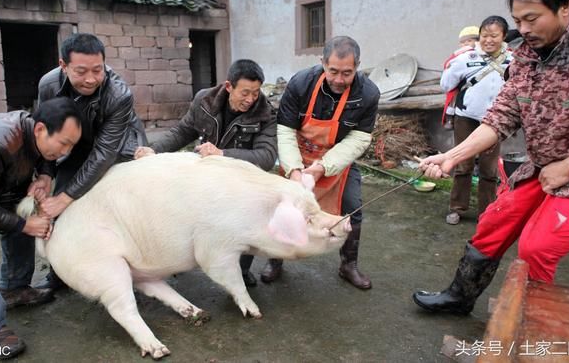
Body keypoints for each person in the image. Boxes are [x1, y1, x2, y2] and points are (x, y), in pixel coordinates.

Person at [413, 0, 569, 315]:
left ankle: (533, 321)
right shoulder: (525, 55)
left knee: (537, 247)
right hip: (542, 166)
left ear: (565, 8)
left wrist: (568, 167)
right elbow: (501, 115)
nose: (523, 29)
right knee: (494, 221)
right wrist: (452, 156)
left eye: (532, 18)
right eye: (517, 20)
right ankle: (459, 297)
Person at [0, 97, 82, 358]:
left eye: (71, 145)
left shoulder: (30, 133)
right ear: (40, 129)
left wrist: (45, 176)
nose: (66, 152)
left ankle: (14, 288)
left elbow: (44, 157)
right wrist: (24, 224)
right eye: (64, 143)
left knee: (25, 211)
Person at [134, 59, 277, 287]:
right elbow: (183, 131)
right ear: (229, 86)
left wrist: (222, 154)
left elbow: (267, 156)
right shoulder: (204, 99)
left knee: (244, 225)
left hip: (241, 180)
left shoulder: (265, 113)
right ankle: (177, 261)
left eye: (256, 92)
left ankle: (241, 271)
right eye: (245, 93)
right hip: (206, 178)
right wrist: (154, 150)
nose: (251, 99)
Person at [262, 35, 380, 289]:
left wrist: (322, 167)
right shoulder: (301, 84)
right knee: (282, 207)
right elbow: (284, 130)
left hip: (337, 159)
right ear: (322, 63)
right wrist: (294, 170)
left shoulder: (368, 94)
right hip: (296, 155)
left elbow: (359, 140)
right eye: (333, 71)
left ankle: (348, 265)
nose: (339, 79)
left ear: (357, 66)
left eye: (346, 73)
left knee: (353, 207)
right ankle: (276, 260)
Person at [33, 33, 148, 290]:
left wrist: (67, 197)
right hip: (79, 144)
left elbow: (105, 152)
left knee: (122, 205)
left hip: (121, 146)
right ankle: (60, 272)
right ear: (63, 65)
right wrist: (46, 174)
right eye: (81, 71)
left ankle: (134, 270)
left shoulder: (119, 94)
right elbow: (47, 132)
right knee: (59, 201)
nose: (91, 79)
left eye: (98, 70)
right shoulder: (48, 85)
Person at [440, 16, 512, 225]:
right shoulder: (466, 57)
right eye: (485, 36)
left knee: (489, 170)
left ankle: (486, 212)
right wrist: (454, 64)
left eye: (494, 36)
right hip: (466, 118)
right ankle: (457, 208)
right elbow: (446, 85)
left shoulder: (513, 60)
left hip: (495, 121)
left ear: (504, 36)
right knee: (462, 165)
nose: (488, 40)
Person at [441, 26, 480, 130]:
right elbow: (447, 66)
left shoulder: (484, 54)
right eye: (463, 42)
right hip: (462, 85)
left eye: (469, 40)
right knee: (454, 93)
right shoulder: (458, 55)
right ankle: (450, 115)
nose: (466, 44)